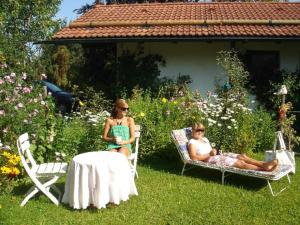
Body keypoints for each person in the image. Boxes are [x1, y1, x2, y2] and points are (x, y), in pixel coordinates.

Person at [188, 122, 278, 171]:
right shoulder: (192, 142)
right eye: (197, 130)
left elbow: (212, 151)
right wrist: (209, 154)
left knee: (242, 156)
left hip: (217, 155)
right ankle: (263, 170)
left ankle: (264, 164)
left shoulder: (205, 139)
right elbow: (193, 157)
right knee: (239, 162)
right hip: (209, 159)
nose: (200, 132)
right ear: (193, 131)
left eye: (202, 130)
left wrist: (213, 151)